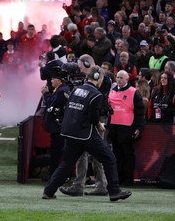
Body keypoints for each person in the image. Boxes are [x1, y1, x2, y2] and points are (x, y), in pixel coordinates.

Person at [43, 66, 132, 201]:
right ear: (98, 78)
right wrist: (99, 125)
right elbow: (93, 117)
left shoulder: (75, 90)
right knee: (109, 158)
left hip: (69, 132)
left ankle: (48, 191)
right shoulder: (96, 94)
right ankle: (114, 191)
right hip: (85, 134)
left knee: (66, 164)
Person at [59, 55, 111, 197]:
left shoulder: (103, 79)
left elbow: (95, 98)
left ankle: (96, 186)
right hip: (88, 117)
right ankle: (85, 186)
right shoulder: (92, 78)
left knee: (94, 152)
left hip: (97, 117)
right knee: (84, 153)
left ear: (88, 65)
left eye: (81, 67)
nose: (80, 70)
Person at [108, 71, 145, 186]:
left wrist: (139, 128)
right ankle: (118, 178)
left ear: (127, 79)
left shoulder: (134, 92)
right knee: (116, 155)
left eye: (121, 78)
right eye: (117, 77)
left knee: (127, 155)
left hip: (128, 129)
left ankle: (128, 180)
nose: (119, 79)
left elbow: (140, 113)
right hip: (114, 129)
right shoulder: (112, 91)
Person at [41, 70, 70, 176]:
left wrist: (45, 94)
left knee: (57, 152)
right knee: (56, 151)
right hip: (57, 127)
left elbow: (52, 104)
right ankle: (55, 173)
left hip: (58, 128)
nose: (51, 81)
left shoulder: (62, 91)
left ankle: (55, 174)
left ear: (59, 80)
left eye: (53, 79)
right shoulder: (60, 89)